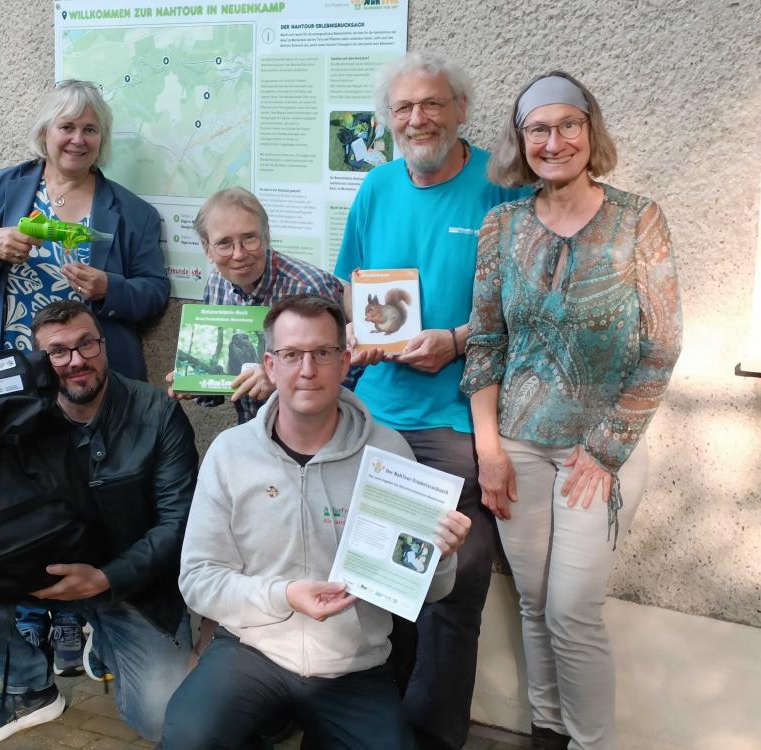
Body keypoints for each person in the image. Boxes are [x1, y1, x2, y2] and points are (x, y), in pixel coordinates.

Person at [461, 72, 683, 750]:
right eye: (538, 129)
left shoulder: (638, 219)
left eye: (568, 126)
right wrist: (489, 450)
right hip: (518, 446)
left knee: (572, 612)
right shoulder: (502, 225)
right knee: (534, 603)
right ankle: (547, 732)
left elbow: (662, 346)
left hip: (599, 453)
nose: (553, 142)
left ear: (590, 132)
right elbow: (487, 342)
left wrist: (606, 447)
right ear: (520, 139)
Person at [160, 294, 472, 750]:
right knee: (188, 735)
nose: (308, 370)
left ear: (344, 362)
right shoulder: (230, 453)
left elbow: (432, 592)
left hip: (353, 664)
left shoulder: (389, 454)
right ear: (270, 365)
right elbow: (198, 579)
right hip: (252, 651)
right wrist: (284, 595)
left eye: (323, 353)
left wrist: (440, 557)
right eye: (292, 354)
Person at [0, 79, 170, 674]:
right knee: (14, 498)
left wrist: (110, 287)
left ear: (102, 140)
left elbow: (154, 294)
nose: (78, 139)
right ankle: (29, 607)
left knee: (78, 495)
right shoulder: (1, 190)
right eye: (68, 127)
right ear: (46, 133)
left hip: (83, 384)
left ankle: (72, 615)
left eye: (90, 129)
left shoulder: (130, 212)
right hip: (9, 387)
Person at [0, 300, 197, 744]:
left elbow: (177, 524)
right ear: (39, 359)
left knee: (161, 722)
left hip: (133, 587)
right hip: (45, 569)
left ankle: (105, 639)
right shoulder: (15, 411)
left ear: (104, 345)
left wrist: (105, 578)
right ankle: (29, 687)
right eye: (58, 351)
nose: (75, 361)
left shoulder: (156, 412)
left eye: (86, 344)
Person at [334, 50, 526, 749]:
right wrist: (357, 336)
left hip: (457, 426)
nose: (418, 119)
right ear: (390, 120)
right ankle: (378, 732)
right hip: (378, 420)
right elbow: (349, 288)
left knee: (450, 600)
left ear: (460, 111)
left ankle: (436, 740)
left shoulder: (500, 188)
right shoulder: (377, 186)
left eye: (432, 104)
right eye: (404, 108)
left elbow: (524, 307)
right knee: (379, 588)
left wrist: (454, 339)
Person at [167, 187, 344, 424]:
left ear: (266, 236)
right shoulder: (216, 283)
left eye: (249, 238)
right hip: (251, 430)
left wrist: (280, 379)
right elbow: (223, 386)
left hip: (314, 430)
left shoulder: (311, 287)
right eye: (224, 243)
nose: (239, 254)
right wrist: (195, 383)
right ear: (206, 248)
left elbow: (346, 375)